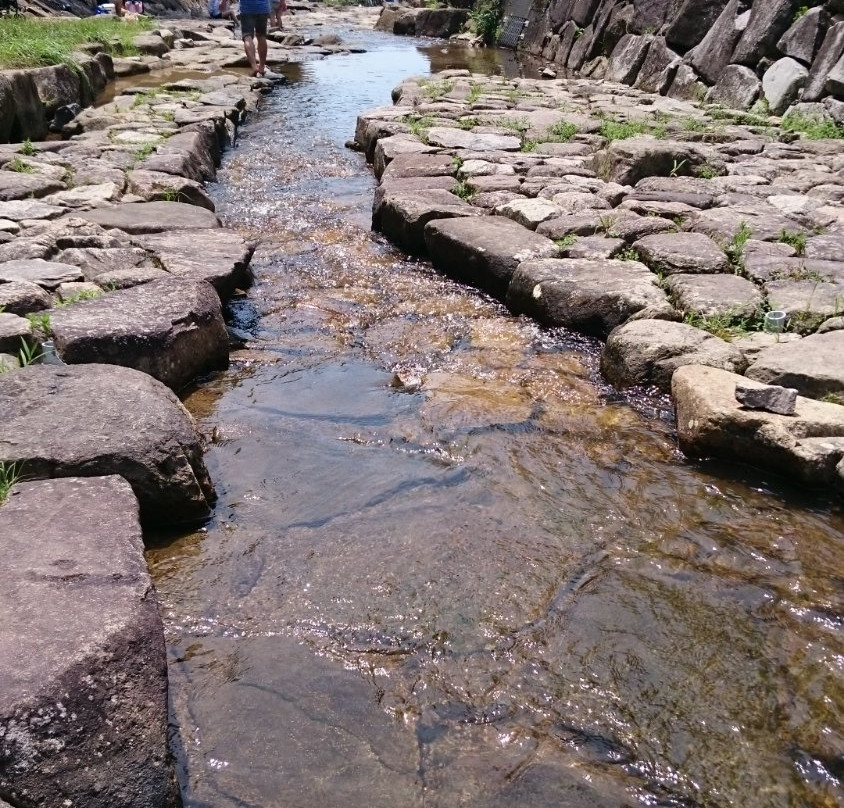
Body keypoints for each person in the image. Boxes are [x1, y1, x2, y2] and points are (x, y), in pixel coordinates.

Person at [239, 0, 270, 77]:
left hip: (247, 8)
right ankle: (262, 67)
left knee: (247, 36)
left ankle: (254, 67)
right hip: (263, 7)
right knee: (261, 36)